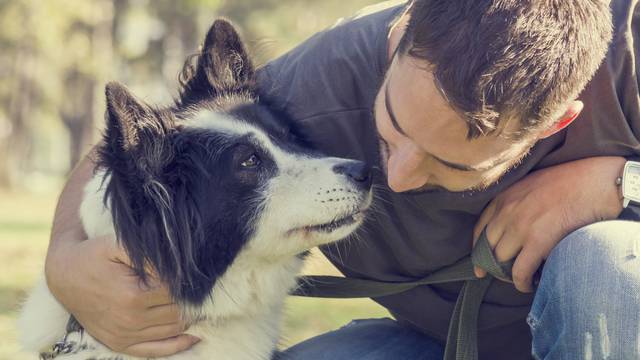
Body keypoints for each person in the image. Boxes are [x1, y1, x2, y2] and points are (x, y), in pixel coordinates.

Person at [44, 0, 640, 359]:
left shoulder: (628, 55)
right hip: (430, 346)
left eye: (450, 165)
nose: (398, 178)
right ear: (398, 34)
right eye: (389, 132)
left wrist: (617, 183)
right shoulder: (320, 82)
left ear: (557, 120)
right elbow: (146, 142)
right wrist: (64, 261)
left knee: (603, 261)